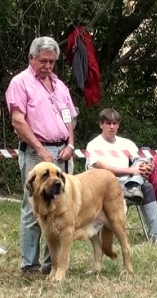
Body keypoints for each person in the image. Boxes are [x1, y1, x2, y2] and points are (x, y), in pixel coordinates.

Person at [5, 36, 78, 274]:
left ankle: (52, 265)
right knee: (32, 209)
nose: (48, 66)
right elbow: (18, 120)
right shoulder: (20, 82)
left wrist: (70, 144)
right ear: (32, 58)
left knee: (60, 207)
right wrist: (40, 149)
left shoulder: (60, 86)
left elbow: (70, 118)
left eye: (52, 62)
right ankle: (30, 265)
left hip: (63, 152)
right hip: (37, 153)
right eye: (44, 61)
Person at [86, 108, 157, 243]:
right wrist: (132, 171)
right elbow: (104, 169)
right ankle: (133, 185)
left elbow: (139, 161)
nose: (112, 127)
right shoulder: (93, 145)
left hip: (126, 183)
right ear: (101, 124)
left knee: (147, 183)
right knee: (139, 173)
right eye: (108, 123)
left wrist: (147, 166)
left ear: (118, 125)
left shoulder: (126, 143)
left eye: (115, 123)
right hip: (104, 188)